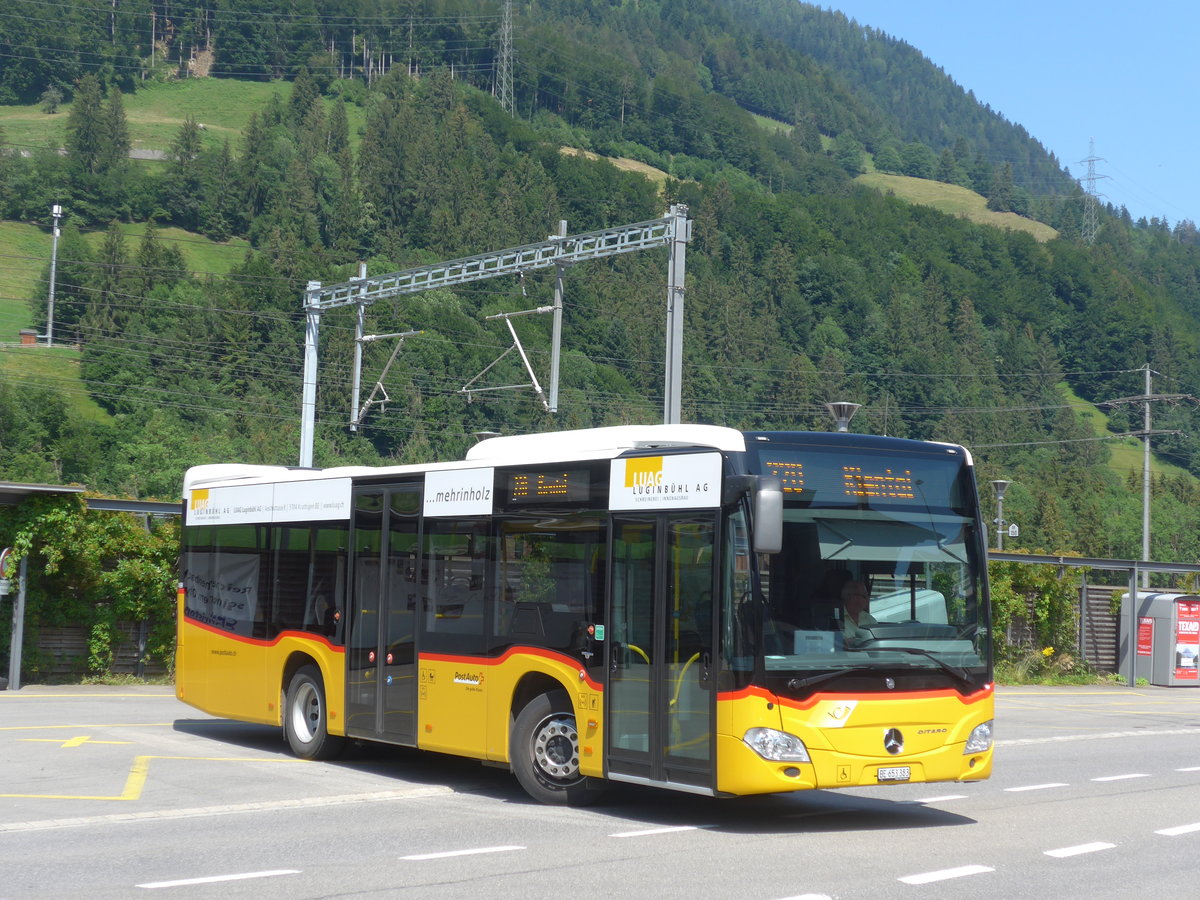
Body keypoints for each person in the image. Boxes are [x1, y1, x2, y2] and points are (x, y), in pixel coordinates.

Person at [841, 580, 876, 644]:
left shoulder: (870, 619)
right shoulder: (836, 619)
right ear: (852, 597)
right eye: (864, 595)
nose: (868, 598)